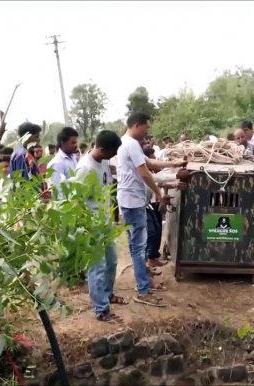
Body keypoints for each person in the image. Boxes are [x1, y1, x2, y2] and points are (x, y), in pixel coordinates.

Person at [117, 112, 185, 306]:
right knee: (139, 248)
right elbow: (145, 173)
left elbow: (149, 163)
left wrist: (173, 163)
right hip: (133, 201)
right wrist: (158, 193)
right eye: (146, 127)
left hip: (131, 200)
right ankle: (144, 289)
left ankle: (145, 280)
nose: (148, 131)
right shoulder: (130, 144)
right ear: (137, 125)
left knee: (136, 246)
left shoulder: (128, 143)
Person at [68, 130, 126, 322]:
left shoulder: (103, 162)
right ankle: (101, 309)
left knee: (111, 260)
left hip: (105, 220)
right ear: (101, 150)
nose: (115, 156)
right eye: (113, 152)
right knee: (97, 266)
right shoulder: (86, 169)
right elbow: (77, 201)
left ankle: (107, 295)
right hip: (92, 224)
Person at [47, 127, 79, 199]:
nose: (76, 145)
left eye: (76, 142)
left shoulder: (73, 158)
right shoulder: (57, 163)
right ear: (62, 143)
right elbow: (58, 192)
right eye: (73, 142)